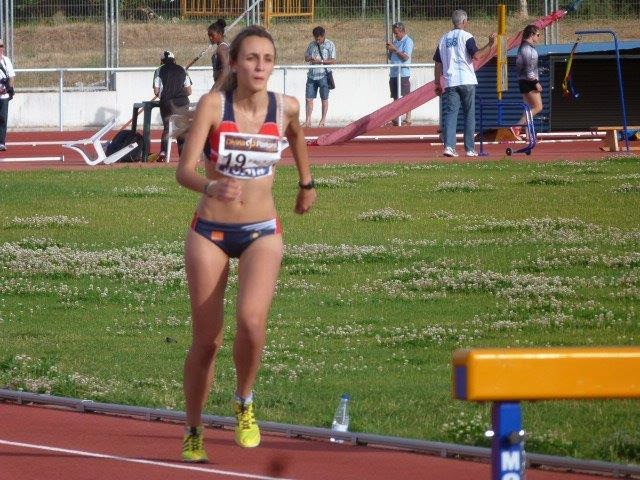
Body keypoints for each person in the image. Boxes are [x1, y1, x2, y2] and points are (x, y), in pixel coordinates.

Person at [175, 25, 317, 463]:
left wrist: (307, 184)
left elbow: (297, 137)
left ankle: (244, 400)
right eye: (252, 58)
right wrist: (210, 186)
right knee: (208, 341)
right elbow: (184, 171)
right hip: (210, 232)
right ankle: (194, 428)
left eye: (267, 59)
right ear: (234, 63)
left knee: (252, 323)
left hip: (262, 231)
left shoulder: (286, 107)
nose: (260, 66)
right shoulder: (213, 106)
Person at [433, 10, 496, 157]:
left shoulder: (443, 39)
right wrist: (490, 44)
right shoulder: (466, 36)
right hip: (466, 79)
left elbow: (438, 63)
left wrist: (437, 82)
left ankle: (449, 147)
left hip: (450, 81)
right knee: (469, 114)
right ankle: (470, 149)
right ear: (464, 21)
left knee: (450, 114)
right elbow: (477, 56)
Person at [153, 50, 192, 160]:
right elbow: (189, 91)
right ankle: (184, 154)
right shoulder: (182, 70)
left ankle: (164, 152)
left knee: (167, 126)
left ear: (162, 61)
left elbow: (156, 91)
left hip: (167, 102)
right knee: (182, 128)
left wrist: (164, 96)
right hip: (183, 102)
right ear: (174, 60)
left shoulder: (159, 70)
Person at [303, 26, 336, 127]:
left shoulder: (330, 45)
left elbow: (333, 60)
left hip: (323, 75)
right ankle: (308, 120)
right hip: (311, 75)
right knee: (308, 99)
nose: (317, 41)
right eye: (315, 38)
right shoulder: (312, 44)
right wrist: (310, 58)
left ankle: (323, 120)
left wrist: (320, 61)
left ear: (323, 36)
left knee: (324, 98)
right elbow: (306, 57)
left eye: (319, 39)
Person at [513, 25, 543, 139]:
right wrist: (536, 82)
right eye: (538, 35)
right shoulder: (526, 48)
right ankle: (516, 126)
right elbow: (528, 69)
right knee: (538, 107)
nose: (539, 37)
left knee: (528, 109)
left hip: (525, 80)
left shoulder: (527, 47)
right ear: (532, 34)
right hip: (528, 81)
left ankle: (529, 135)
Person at [386, 22, 414, 126]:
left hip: (403, 73)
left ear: (402, 31)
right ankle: (396, 117)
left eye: (396, 33)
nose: (395, 35)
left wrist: (395, 50)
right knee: (395, 96)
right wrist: (390, 50)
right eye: (394, 33)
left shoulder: (408, 41)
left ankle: (408, 118)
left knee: (406, 96)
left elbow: (406, 57)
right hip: (394, 72)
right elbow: (391, 57)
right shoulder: (395, 41)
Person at [0, 38, 16, 152]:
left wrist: (7, 89)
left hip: (3, 96)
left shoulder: (6, 61)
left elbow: (11, 76)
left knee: (2, 119)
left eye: (1, 46)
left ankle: (1, 142)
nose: (0, 48)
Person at [208, 18, 230, 91]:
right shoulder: (223, 46)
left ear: (220, 34)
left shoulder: (222, 48)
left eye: (212, 35)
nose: (210, 38)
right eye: (209, 35)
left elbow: (226, 70)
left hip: (224, 87)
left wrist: (214, 88)